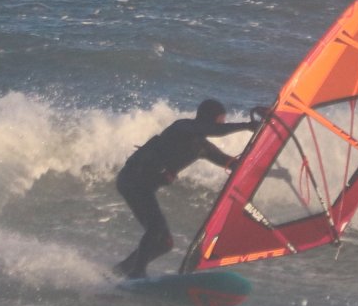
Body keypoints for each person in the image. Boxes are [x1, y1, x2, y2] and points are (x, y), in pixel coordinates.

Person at [112, 98, 265, 279]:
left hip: (143, 185)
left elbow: (233, 165)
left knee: (165, 243)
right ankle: (137, 274)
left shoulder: (202, 147)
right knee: (155, 229)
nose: (222, 123)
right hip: (133, 179)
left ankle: (121, 270)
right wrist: (247, 126)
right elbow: (213, 130)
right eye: (220, 120)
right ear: (209, 119)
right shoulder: (182, 127)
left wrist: (266, 165)